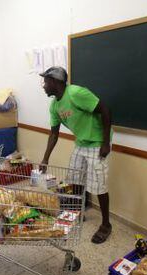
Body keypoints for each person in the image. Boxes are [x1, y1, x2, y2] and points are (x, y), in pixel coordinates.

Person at [40, 66, 112, 244]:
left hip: (96, 142)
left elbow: (105, 109)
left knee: (98, 185)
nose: (43, 85)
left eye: (46, 81)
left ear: (56, 82)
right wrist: (45, 158)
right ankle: (78, 211)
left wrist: (105, 142)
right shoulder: (55, 104)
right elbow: (54, 134)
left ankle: (106, 225)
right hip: (81, 142)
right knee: (75, 180)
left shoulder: (75, 93)